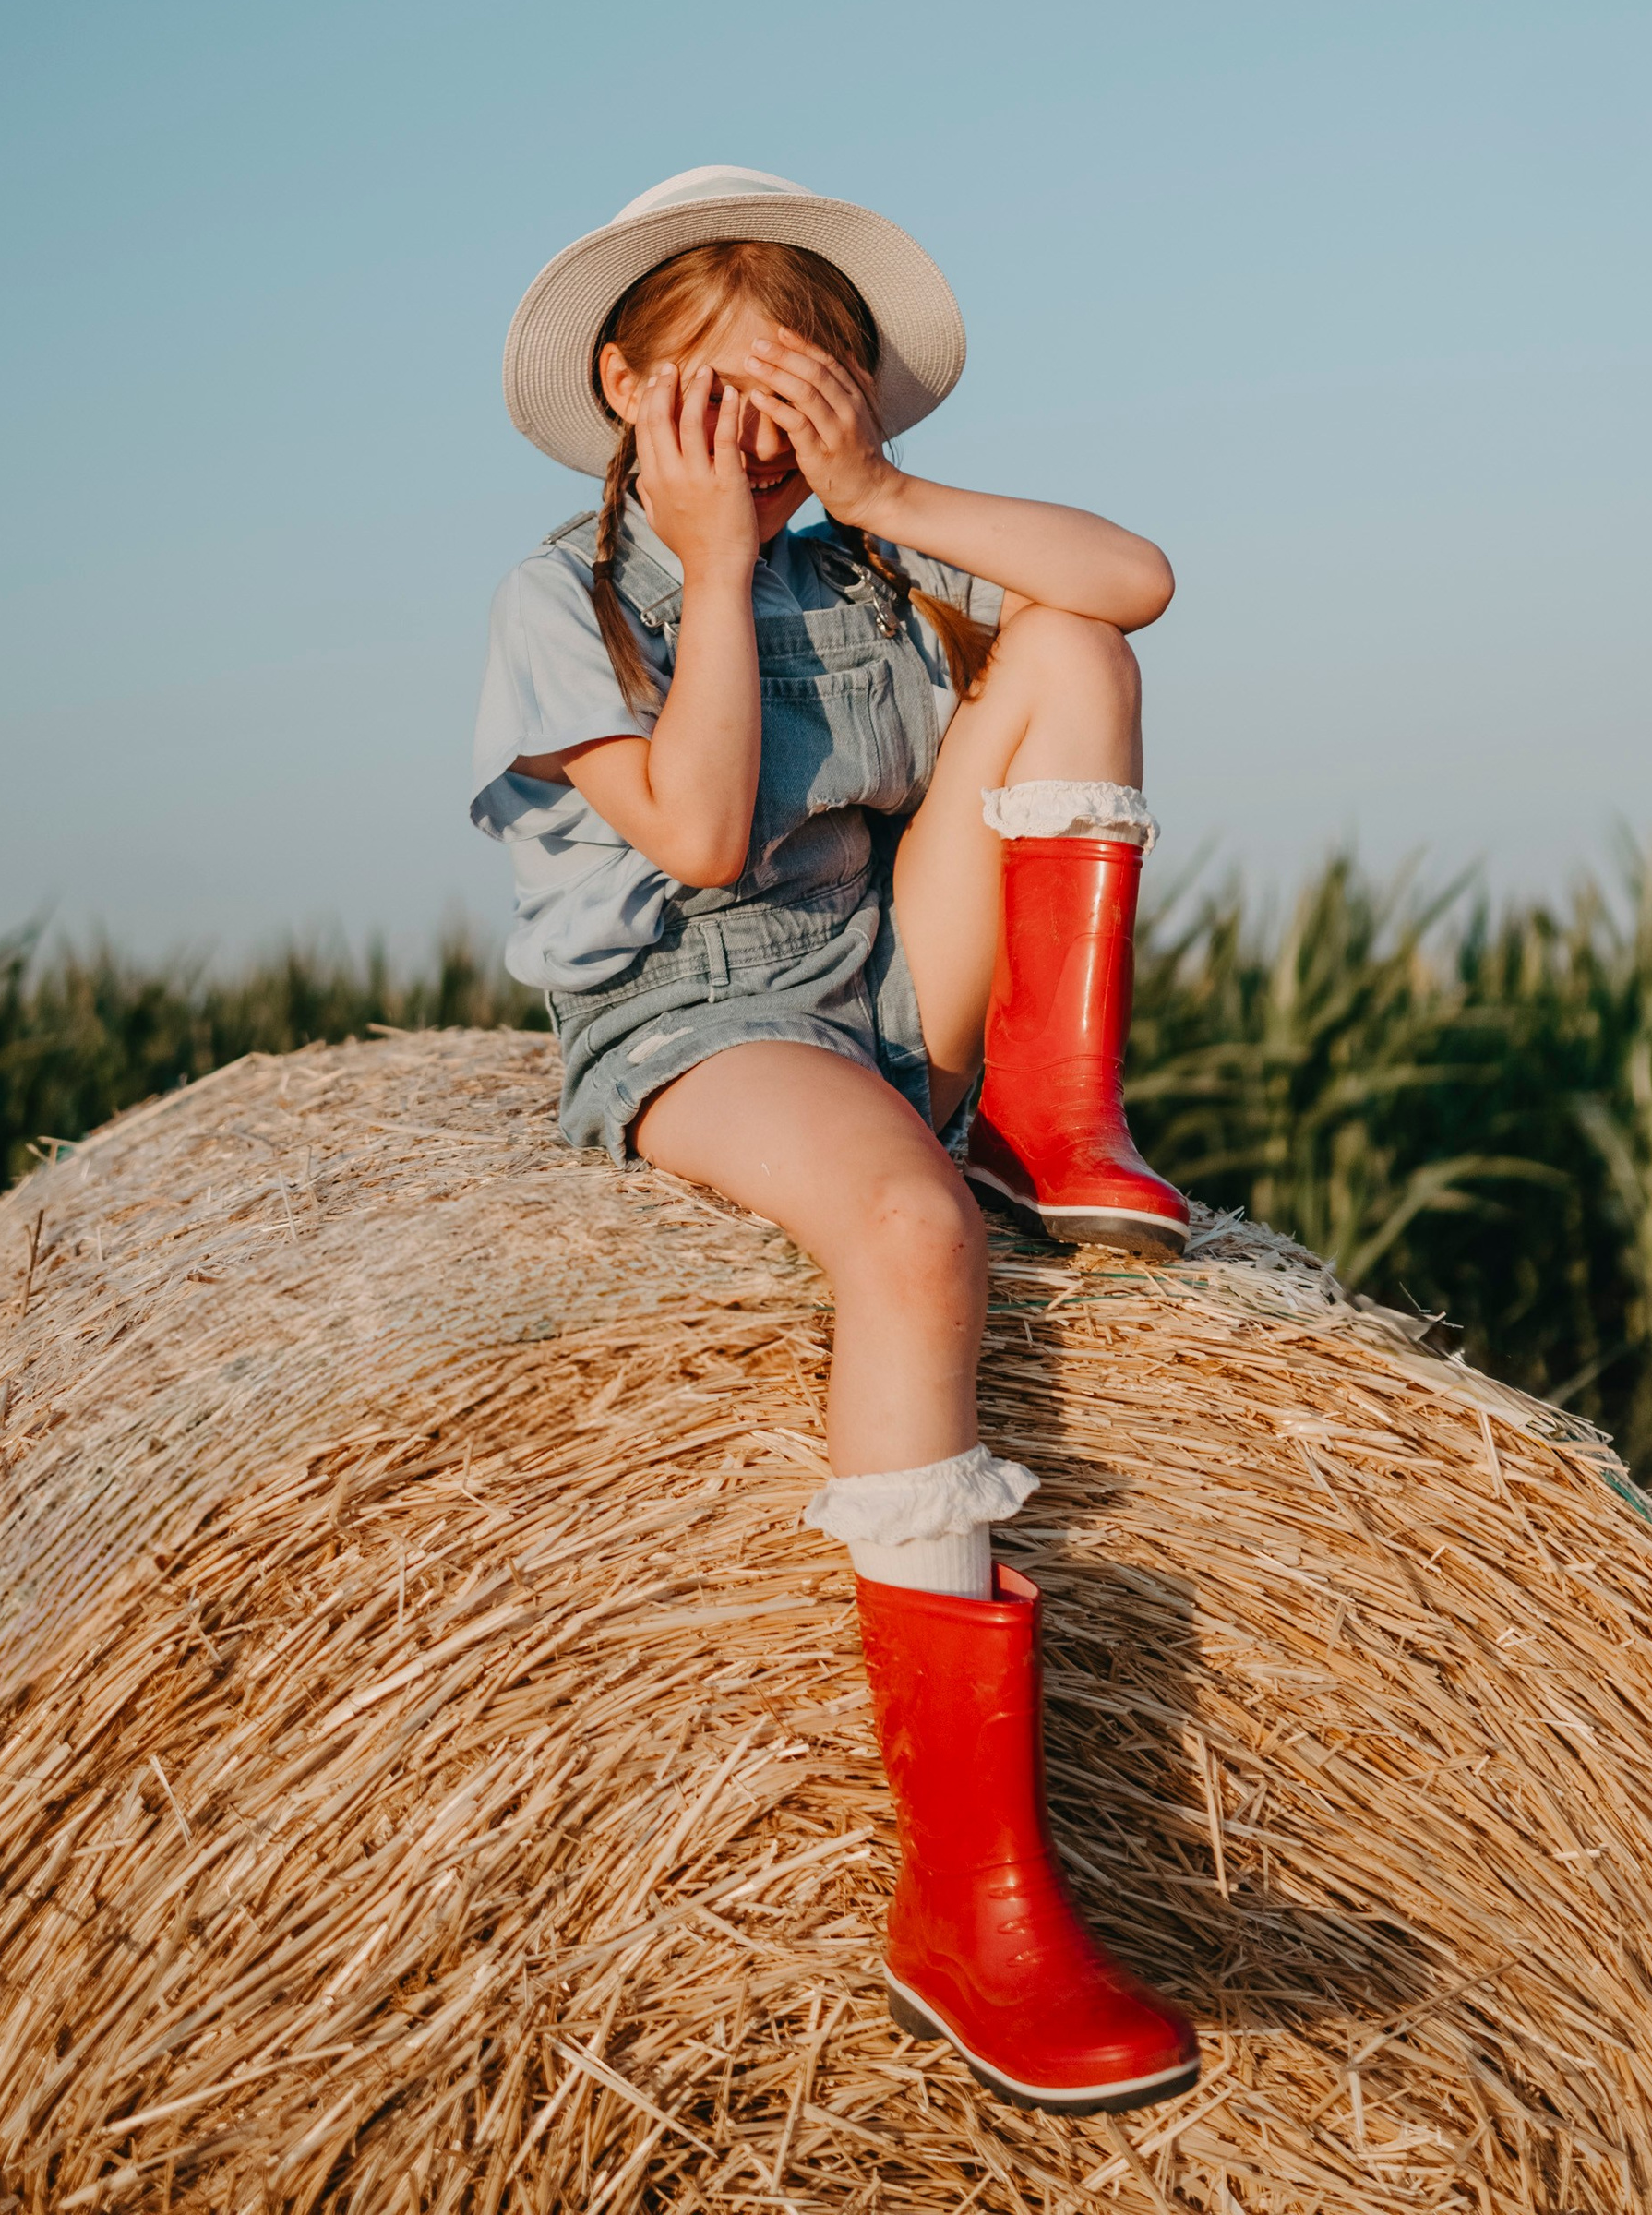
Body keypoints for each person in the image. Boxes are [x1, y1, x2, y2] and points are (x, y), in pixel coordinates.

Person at [473, 165, 1199, 2113]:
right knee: (899, 1231)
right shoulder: (565, 598)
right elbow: (703, 835)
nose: (758, 441)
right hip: (703, 1015)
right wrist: (710, 562)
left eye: (801, 399)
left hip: (889, 992)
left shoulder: (866, 563)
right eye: (716, 395)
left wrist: (870, 500)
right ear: (626, 389)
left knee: (1069, 653)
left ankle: (1056, 1115)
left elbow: (1128, 585)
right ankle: (966, 1902)